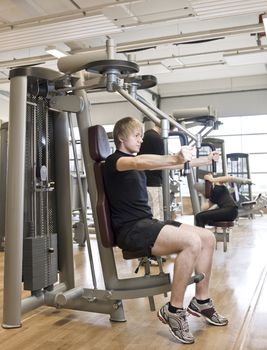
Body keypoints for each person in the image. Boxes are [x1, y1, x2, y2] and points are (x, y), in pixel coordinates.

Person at [103, 116, 228, 345]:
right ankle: (174, 309)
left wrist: (206, 160)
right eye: (137, 135)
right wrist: (174, 156)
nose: (141, 139)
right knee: (191, 242)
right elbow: (140, 162)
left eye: (142, 135)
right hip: (131, 230)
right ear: (121, 138)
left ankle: (201, 300)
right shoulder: (115, 161)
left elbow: (175, 164)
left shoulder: (134, 160)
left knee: (207, 238)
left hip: (146, 223)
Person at [138, 124, 164, 220]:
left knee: (149, 214)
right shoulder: (157, 139)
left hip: (143, 181)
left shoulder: (146, 135)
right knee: (156, 216)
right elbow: (163, 161)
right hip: (153, 182)